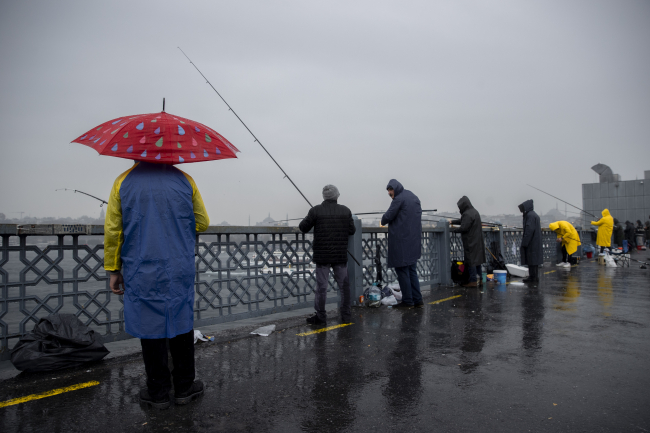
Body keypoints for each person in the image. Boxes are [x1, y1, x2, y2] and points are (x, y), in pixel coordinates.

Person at [105, 161, 209, 409]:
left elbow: (114, 231)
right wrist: (175, 226)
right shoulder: (186, 180)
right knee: (181, 320)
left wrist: (113, 269)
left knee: (149, 324)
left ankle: (158, 392)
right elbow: (202, 222)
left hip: (142, 267)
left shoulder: (122, 181)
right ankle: (184, 388)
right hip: (178, 266)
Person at [299, 185, 356, 325]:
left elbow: (303, 227)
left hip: (322, 256)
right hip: (339, 255)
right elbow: (352, 230)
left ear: (324, 196)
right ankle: (346, 315)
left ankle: (321, 316)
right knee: (344, 287)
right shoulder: (345, 210)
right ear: (337, 196)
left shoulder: (315, 210)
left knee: (322, 287)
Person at [380, 179, 423, 308]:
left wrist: (383, 219)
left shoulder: (398, 199)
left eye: (390, 190)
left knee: (403, 271)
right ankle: (418, 300)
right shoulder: (413, 196)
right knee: (412, 271)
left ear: (395, 188)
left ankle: (408, 301)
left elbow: (387, 217)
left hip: (401, 242)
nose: (389, 193)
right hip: (413, 241)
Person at [450, 196, 486, 287]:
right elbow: (464, 221)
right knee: (477, 261)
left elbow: (464, 227)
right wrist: (453, 221)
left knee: (471, 261)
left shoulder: (467, 214)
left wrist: (454, 230)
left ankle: (473, 280)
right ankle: (481, 279)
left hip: (470, 242)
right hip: (477, 240)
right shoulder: (474, 212)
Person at [518, 199, 542, 284]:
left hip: (532, 242)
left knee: (531, 260)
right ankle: (534, 277)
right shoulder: (534, 215)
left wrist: (524, 243)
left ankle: (532, 277)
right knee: (534, 261)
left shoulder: (530, 216)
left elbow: (529, 230)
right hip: (535, 241)